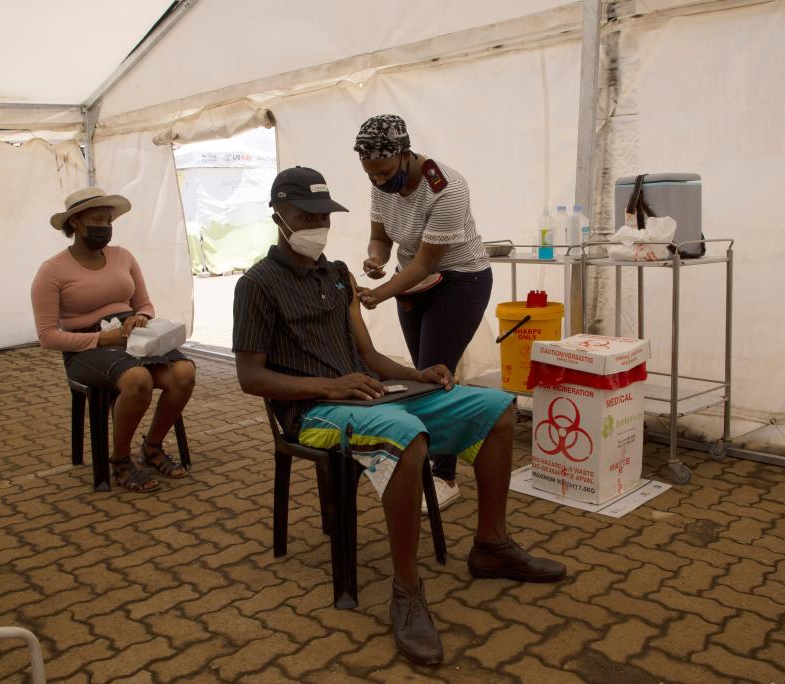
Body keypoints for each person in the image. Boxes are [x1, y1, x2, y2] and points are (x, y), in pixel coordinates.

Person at [233, 167, 566, 666]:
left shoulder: (338, 275)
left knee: (496, 408)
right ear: (278, 216)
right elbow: (250, 378)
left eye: (323, 214)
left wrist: (418, 374)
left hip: (369, 393)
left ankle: (491, 545)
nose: (317, 224)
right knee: (408, 435)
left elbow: (369, 358)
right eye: (305, 214)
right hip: (313, 411)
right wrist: (330, 386)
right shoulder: (257, 285)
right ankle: (407, 592)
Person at [353, 114, 493, 512]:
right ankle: (427, 458)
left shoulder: (446, 188)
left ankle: (443, 475)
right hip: (411, 283)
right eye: (370, 175)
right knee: (421, 373)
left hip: (459, 281)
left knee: (436, 371)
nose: (378, 181)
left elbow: (426, 263)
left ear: (404, 153)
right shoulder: (381, 184)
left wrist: (378, 294)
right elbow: (381, 237)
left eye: (383, 171)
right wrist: (375, 259)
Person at [31, 187, 196, 492]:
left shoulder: (123, 256)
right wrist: (102, 339)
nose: (104, 227)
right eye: (97, 219)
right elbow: (47, 336)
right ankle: (120, 459)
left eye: (108, 221)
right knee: (138, 380)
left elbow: (145, 304)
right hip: (86, 346)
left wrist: (141, 318)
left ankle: (152, 447)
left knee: (184, 373)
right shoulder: (51, 271)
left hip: (132, 334)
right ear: (76, 224)